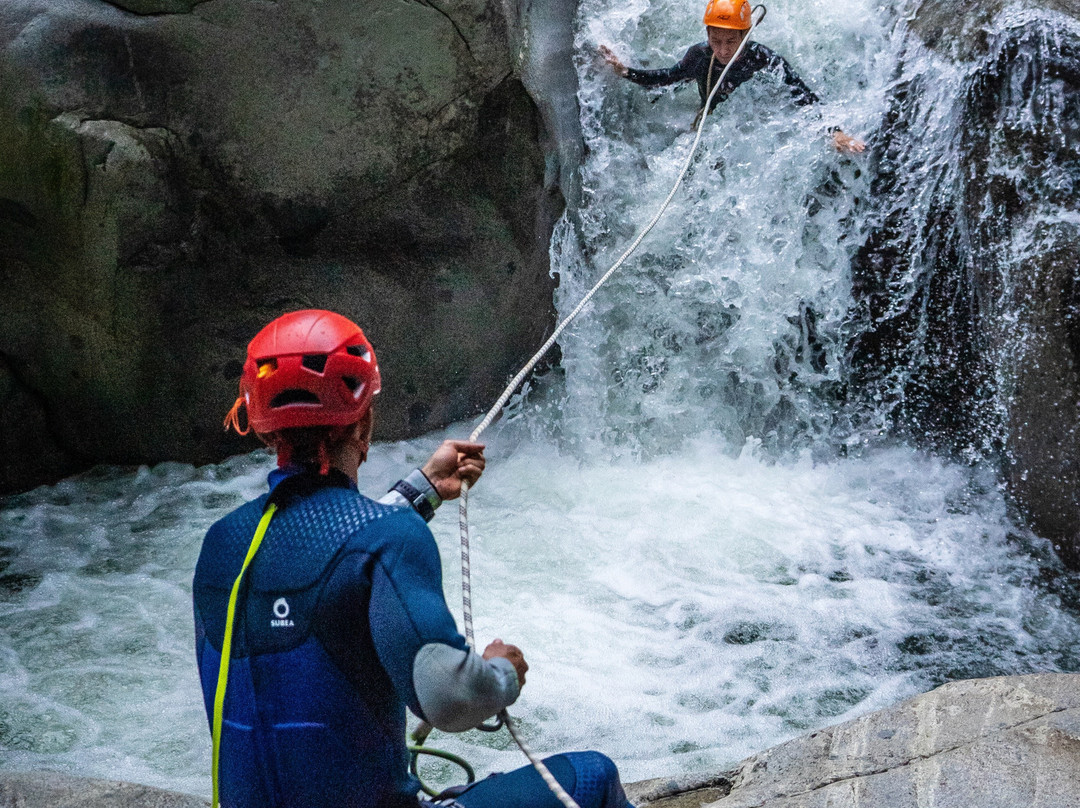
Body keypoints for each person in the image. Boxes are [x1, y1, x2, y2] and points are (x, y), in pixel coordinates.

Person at [193, 308, 632, 808]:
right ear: (364, 422)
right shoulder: (388, 539)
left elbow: (322, 560)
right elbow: (449, 699)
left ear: (265, 430)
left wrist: (423, 490)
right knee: (593, 775)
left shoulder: (221, 543)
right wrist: (501, 673)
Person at [599, 0, 865, 152]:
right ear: (707, 36)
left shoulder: (762, 59)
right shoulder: (700, 56)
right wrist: (625, 71)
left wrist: (835, 132)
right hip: (709, 115)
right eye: (716, 40)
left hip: (746, 123)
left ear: (745, 36)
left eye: (731, 41)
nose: (724, 50)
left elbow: (802, 93)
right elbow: (667, 77)